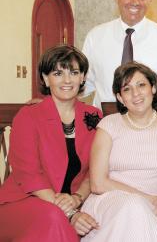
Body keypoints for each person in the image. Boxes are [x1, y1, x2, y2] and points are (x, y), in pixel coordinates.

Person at [0, 45, 101, 241]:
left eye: (74, 72)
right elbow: (28, 174)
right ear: (46, 79)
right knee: (54, 218)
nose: (67, 80)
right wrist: (69, 213)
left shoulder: (94, 116)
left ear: (82, 78)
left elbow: (94, 170)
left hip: (71, 201)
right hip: (24, 201)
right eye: (57, 73)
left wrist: (76, 199)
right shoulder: (29, 116)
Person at [80, 62, 157, 241]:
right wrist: (148, 199)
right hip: (108, 201)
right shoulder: (109, 125)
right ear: (120, 97)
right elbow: (97, 183)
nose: (136, 94)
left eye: (141, 85)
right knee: (134, 207)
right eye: (127, 89)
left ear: (154, 88)